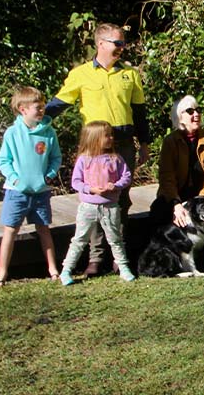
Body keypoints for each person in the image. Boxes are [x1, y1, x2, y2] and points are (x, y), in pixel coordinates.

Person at [46, 22, 150, 277]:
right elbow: (58, 104)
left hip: (123, 144)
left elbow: (139, 113)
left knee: (120, 199)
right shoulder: (81, 74)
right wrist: (32, 125)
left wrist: (145, 143)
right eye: (118, 43)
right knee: (92, 202)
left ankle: (119, 257)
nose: (122, 48)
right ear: (101, 43)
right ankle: (96, 258)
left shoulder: (130, 74)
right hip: (95, 147)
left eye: (124, 43)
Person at [150, 94, 204, 273]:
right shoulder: (170, 142)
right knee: (158, 208)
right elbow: (166, 177)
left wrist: (199, 200)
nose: (196, 114)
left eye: (198, 110)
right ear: (179, 117)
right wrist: (175, 204)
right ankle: (165, 256)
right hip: (179, 191)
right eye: (190, 111)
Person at [0, 86, 62, 288]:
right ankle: (1, 274)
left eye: (42, 107)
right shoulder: (13, 133)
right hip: (16, 193)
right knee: (10, 230)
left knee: (44, 229)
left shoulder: (49, 133)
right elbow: (4, 160)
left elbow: (55, 158)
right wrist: (14, 179)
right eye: (37, 108)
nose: (42, 111)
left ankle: (53, 269)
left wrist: (48, 176)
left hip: (40, 192)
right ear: (23, 109)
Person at [59, 121, 135, 285]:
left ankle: (123, 268)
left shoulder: (115, 158)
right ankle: (66, 270)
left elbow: (126, 176)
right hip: (88, 207)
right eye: (107, 135)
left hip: (110, 207)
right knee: (80, 239)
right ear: (94, 139)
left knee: (115, 239)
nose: (111, 138)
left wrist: (115, 186)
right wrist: (90, 189)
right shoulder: (84, 160)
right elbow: (76, 182)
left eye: (111, 135)